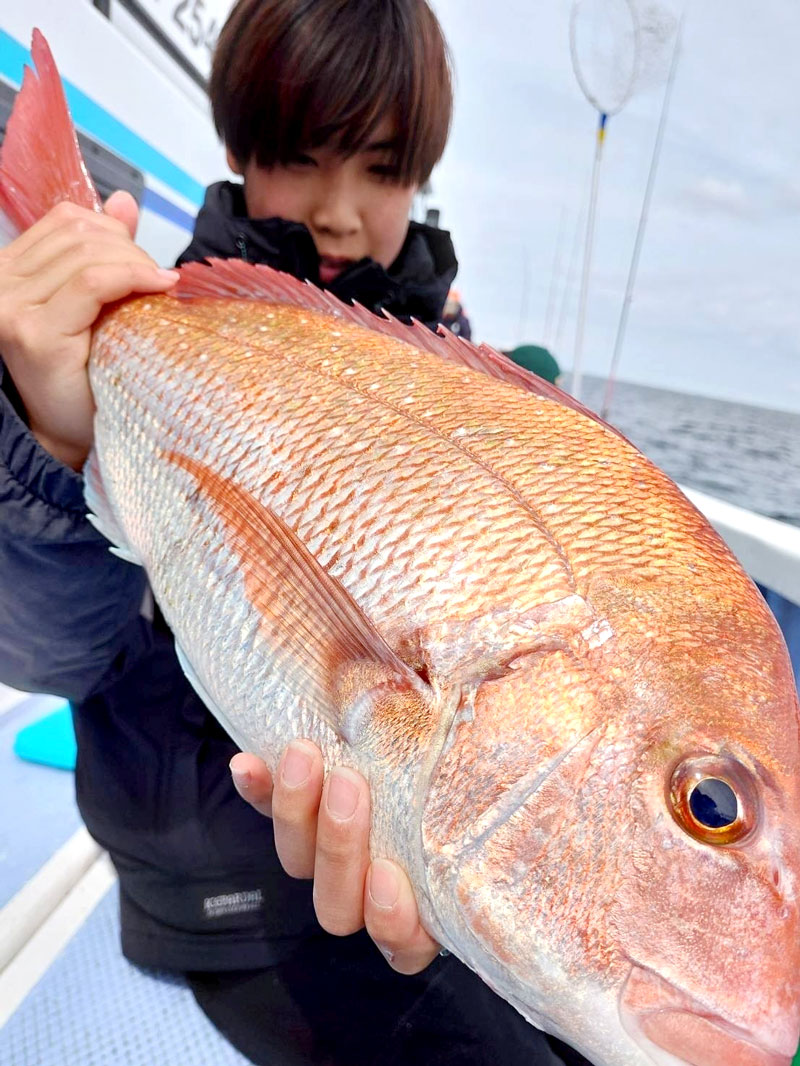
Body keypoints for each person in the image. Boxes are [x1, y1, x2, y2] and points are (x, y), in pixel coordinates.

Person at [0, 2, 586, 1063]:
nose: (339, 212)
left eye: (379, 168)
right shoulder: (153, 337)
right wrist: (47, 428)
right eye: (301, 158)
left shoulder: (448, 365)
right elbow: (56, 655)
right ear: (237, 152)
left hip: (403, 848)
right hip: (218, 878)